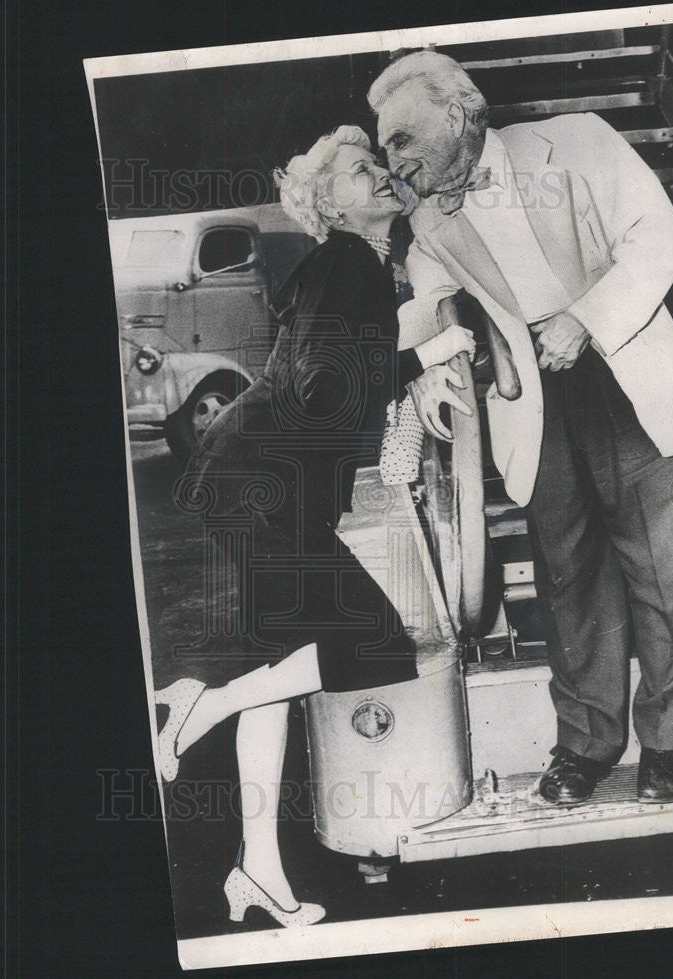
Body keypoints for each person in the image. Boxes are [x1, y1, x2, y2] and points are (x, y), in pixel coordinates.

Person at [368, 50, 673, 807]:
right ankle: (586, 744)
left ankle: (670, 743)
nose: (391, 159)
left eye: (400, 139)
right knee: (567, 577)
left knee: (668, 570)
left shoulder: (580, 141)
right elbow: (426, 303)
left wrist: (584, 321)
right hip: (531, 401)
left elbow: (658, 238)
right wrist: (428, 359)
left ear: (457, 117)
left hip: (621, 366)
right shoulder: (428, 214)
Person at [157, 125, 476, 927]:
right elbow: (325, 393)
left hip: (252, 478)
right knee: (372, 643)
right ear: (324, 204)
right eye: (354, 171)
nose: (375, 176)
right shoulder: (345, 264)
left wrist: (408, 356)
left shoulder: (351, 267)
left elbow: (327, 378)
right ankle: (202, 707)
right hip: (264, 483)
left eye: (376, 165)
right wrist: (431, 349)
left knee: (278, 669)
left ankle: (256, 867)